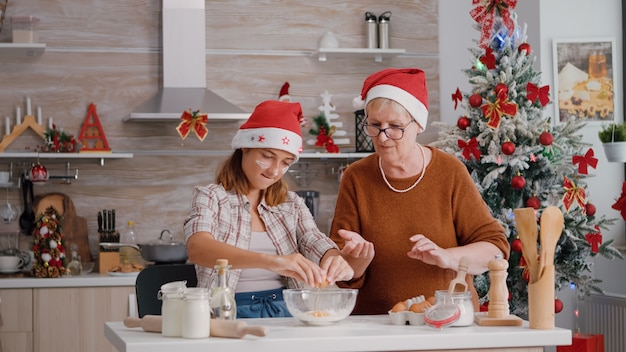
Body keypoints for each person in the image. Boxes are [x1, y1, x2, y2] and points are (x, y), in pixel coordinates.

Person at [330, 68, 510, 315]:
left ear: (417, 125)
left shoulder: (449, 172)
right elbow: (341, 270)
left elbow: (495, 247)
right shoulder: (356, 177)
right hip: (378, 325)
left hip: (449, 321)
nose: (382, 137)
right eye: (374, 125)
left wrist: (446, 257)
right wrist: (354, 262)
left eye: (395, 126)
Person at [184, 100, 354, 318]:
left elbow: (313, 240)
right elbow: (198, 248)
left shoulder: (291, 204)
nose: (275, 171)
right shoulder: (211, 197)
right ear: (245, 146)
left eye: (285, 162)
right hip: (226, 314)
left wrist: (333, 257)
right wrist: (273, 262)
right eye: (267, 156)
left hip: (287, 312)